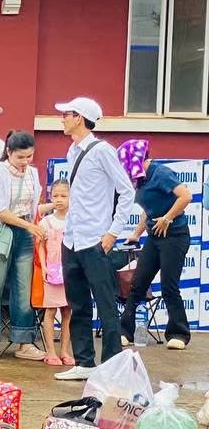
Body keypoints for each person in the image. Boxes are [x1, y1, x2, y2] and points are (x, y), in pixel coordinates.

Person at [52, 97, 136, 381]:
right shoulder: (72, 151)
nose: (62, 118)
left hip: (95, 240)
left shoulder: (103, 151)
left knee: (106, 303)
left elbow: (126, 191)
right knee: (78, 304)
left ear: (80, 117)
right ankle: (85, 362)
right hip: (72, 238)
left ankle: (111, 366)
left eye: (67, 114)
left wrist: (113, 231)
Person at [0, 131, 46, 361]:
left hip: (25, 232)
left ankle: (24, 341)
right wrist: (28, 225)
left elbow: (34, 205)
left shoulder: (33, 173)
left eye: (29, 157)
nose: (25, 162)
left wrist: (34, 225)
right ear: (8, 153)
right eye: (20, 157)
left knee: (23, 287)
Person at [118, 138, 193, 351]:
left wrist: (167, 218)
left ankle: (179, 333)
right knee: (137, 284)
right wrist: (136, 234)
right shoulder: (141, 180)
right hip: (154, 236)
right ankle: (125, 331)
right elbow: (148, 209)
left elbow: (186, 196)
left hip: (175, 235)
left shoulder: (161, 173)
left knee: (169, 285)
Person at [37, 179, 74, 367]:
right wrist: (44, 267)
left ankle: (65, 351)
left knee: (68, 311)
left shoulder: (75, 221)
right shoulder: (46, 222)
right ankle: (51, 351)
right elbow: (40, 246)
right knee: (50, 311)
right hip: (52, 272)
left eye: (63, 196)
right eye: (55, 196)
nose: (59, 200)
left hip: (70, 272)